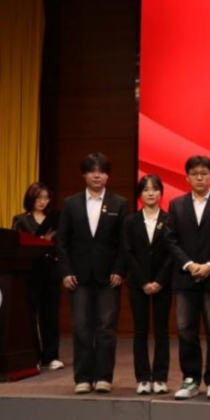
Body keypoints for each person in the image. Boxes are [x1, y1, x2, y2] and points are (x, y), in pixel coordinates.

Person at [165, 155, 210, 400]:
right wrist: (189, 264)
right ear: (187, 177)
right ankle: (191, 379)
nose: (199, 178)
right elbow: (171, 239)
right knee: (186, 330)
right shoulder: (176, 204)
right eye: (194, 174)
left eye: (204, 173)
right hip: (185, 278)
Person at [55, 153, 128, 394]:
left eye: (102, 171)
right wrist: (66, 272)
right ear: (84, 175)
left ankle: (104, 376)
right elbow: (62, 242)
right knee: (81, 327)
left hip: (109, 277)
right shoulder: (71, 203)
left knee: (106, 328)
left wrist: (119, 270)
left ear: (107, 176)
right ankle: (83, 378)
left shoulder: (119, 203)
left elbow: (124, 243)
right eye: (92, 171)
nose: (97, 175)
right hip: (79, 277)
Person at [121, 174, 173, 394]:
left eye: (155, 189)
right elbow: (127, 253)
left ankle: (160, 377)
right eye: (146, 189)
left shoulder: (170, 220)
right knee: (140, 330)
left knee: (162, 331)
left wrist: (159, 281)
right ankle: (142, 377)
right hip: (137, 283)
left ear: (161, 193)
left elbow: (172, 253)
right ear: (140, 194)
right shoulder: (130, 221)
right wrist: (143, 281)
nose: (151, 193)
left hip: (163, 283)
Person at [11, 182, 63, 371]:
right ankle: (34, 356)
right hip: (30, 272)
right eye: (39, 197)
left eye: (46, 198)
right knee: (30, 316)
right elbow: (15, 246)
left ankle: (51, 356)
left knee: (50, 316)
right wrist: (39, 241)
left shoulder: (55, 219)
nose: (43, 202)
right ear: (31, 198)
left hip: (51, 270)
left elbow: (63, 244)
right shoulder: (21, 220)